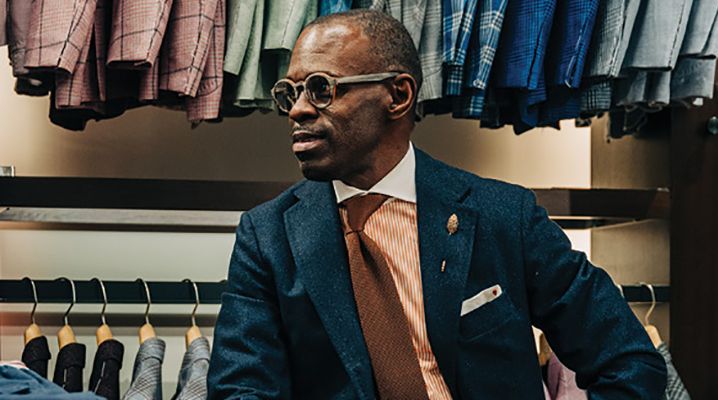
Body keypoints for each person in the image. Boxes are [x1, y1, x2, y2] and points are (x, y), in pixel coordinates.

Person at [208, 9, 667, 400]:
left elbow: (627, 360)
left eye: (321, 88)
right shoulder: (268, 237)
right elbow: (240, 389)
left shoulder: (503, 216)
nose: (298, 110)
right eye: (290, 93)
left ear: (398, 95)